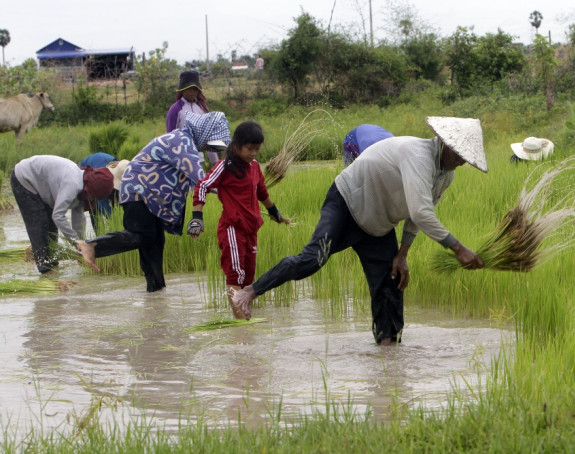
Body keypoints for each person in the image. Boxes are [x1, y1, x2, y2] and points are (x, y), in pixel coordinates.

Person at [232, 117, 487, 345]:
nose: (461, 162)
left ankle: (389, 350)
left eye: (466, 158)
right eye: (458, 154)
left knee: (391, 284)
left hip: (378, 222)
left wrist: (402, 254)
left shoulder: (446, 174)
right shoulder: (418, 155)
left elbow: (417, 214)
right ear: (445, 143)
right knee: (313, 259)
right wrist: (458, 247)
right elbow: (422, 212)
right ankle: (249, 292)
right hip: (347, 201)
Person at [79, 111, 231, 292]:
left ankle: (156, 293)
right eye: (210, 143)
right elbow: (200, 179)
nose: (208, 148)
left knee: (155, 244)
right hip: (139, 193)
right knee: (142, 235)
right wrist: (234, 190)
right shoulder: (182, 142)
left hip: (150, 199)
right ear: (204, 133)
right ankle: (93, 245)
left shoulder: (185, 142)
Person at [187, 120, 290, 318]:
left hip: (251, 230)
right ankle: (240, 323)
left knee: (249, 276)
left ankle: (244, 318)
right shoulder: (225, 167)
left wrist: (275, 212)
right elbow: (202, 186)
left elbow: (261, 191)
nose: (253, 153)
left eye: (257, 149)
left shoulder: (254, 167)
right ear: (236, 146)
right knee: (236, 274)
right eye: (250, 148)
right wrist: (197, 218)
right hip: (232, 229)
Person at [10, 155, 120, 274]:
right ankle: (46, 271)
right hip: (25, 177)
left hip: (43, 184)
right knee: (39, 224)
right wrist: (76, 242)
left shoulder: (84, 186)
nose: (92, 200)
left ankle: (52, 262)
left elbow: (78, 221)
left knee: (51, 228)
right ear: (91, 190)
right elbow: (58, 215)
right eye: (94, 197)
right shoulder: (73, 184)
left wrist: (81, 249)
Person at [166, 70, 221, 166]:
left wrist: (215, 163)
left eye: (195, 89)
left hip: (199, 160)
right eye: (189, 89)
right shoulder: (176, 110)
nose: (192, 92)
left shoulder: (201, 109)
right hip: (182, 161)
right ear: (182, 89)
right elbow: (169, 138)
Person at [79, 152, 119, 232]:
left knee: (117, 203)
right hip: (88, 177)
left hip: (103, 165)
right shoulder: (103, 179)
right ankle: (98, 237)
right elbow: (102, 204)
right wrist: (116, 222)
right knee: (94, 210)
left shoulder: (121, 169)